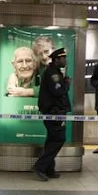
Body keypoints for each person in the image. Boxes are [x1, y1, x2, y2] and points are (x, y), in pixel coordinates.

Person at [33, 48, 71, 181]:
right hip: (54, 112)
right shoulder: (53, 74)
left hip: (55, 111)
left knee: (51, 141)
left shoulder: (54, 72)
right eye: (63, 58)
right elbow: (58, 91)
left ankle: (49, 169)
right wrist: (66, 83)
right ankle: (40, 167)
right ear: (56, 59)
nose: (65, 60)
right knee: (58, 139)